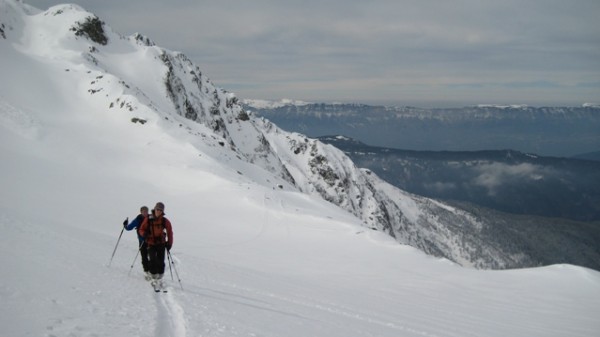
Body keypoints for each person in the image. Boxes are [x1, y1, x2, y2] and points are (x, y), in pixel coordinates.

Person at [138, 202, 173, 289]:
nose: (158, 211)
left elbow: (170, 232)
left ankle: (160, 277)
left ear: (162, 211)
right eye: (157, 209)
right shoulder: (148, 219)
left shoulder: (165, 221)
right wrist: (144, 234)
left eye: (160, 210)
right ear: (155, 209)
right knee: (152, 259)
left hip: (161, 243)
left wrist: (169, 243)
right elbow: (141, 229)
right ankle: (154, 277)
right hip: (151, 243)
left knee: (161, 261)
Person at [123, 206, 150, 279]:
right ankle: (147, 271)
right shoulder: (138, 219)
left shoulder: (150, 218)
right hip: (142, 240)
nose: (145, 213)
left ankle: (151, 271)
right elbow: (129, 227)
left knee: (151, 256)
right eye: (144, 211)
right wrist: (125, 225)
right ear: (141, 212)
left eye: (146, 211)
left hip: (150, 240)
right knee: (144, 256)